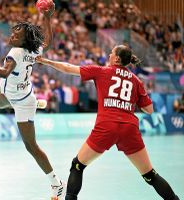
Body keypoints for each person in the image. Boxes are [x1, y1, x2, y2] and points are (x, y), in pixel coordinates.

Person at [35, 45, 180, 200]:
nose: (109, 55)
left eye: (111, 53)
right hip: (129, 128)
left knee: (77, 166)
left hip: (106, 126)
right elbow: (149, 109)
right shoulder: (136, 81)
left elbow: (68, 68)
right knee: (150, 175)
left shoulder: (102, 71)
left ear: (117, 58)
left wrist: (46, 61)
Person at [0, 3, 66, 199]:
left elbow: (3, 73)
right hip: (16, 93)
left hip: (22, 100)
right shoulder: (32, 50)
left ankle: (56, 183)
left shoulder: (15, 53)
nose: (12, 36)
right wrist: (47, 18)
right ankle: (36, 103)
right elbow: (48, 40)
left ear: (24, 40)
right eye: (13, 32)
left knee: (30, 146)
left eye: (16, 35)